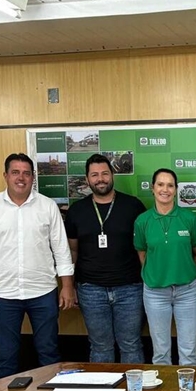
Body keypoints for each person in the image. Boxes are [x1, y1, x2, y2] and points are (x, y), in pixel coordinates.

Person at [0, 153, 76, 379]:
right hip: (3, 295)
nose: (21, 178)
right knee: (6, 356)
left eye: (26, 173)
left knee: (48, 352)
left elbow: (61, 250)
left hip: (43, 292)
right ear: (5, 176)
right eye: (15, 172)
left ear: (33, 177)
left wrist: (67, 287)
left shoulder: (47, 206)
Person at [65, 154, 146, 363]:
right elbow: (73, 251)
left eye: (104, 173)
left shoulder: (133, 206)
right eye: (94, 175)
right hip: (90, 290)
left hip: (130, 288)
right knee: (100, 346)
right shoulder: (77, 211)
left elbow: (145, 248)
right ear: (87, 179)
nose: (100, 179)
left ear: (112, 176)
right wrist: (70, 286)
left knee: (131, 344)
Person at [134, 168, 196, 366]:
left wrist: (186, 271)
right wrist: (156, 273)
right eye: (161, 184)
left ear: (176, 189)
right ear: (153, 188)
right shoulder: (142, 221)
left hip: (187, 292)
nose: (165, 189)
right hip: (155, 293)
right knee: (161, 353)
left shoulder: (189, 219)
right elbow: (142, 253)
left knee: (189, 353)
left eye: (170, 185)